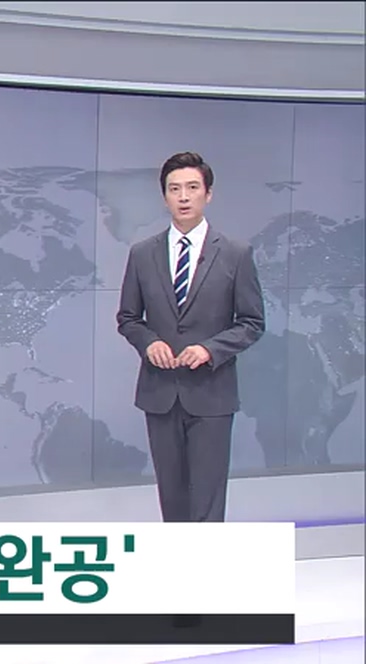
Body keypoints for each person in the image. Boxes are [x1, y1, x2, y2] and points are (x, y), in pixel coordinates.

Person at [116, 151, 265, 523]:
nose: (183, 197)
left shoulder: (235, 254)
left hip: (211, 393)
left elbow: (251, 322)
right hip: (160, 393)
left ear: (208, 194)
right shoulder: (142, 254)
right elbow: (128, 318)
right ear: (164, 196)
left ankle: (204, 561)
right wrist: (149, 342)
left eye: (192, 188)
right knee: (172, 497)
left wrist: (210, 350)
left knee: (208, 499)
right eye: (174, 189)